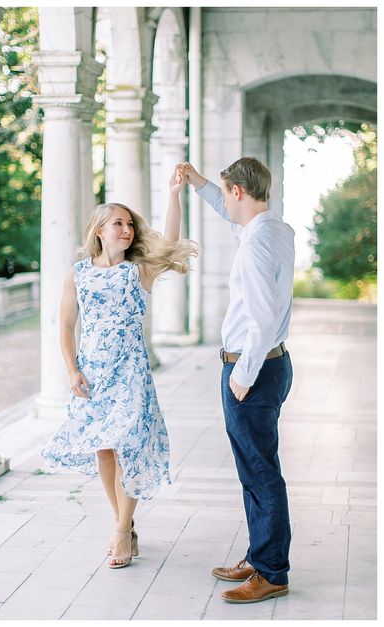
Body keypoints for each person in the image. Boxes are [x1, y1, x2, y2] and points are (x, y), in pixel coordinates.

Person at [40, 166, 198, 569]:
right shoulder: (78, 275)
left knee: (130, 448)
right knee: (105, 451)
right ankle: (123, 524)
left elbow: (171, 240)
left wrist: (174, 195)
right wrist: (71, 370)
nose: (127, 230)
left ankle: (119, 531)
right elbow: (65, 325)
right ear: (99, 230)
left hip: (130, 372)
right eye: (118, 224)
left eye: (129, 224)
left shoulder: (138, 271)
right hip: (93, 374)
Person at [178, 158, 294, 603]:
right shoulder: (273, 230)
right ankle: (260, 556)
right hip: (273, 363)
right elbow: (231, 217)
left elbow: (262, 319)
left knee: (261, 473)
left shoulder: (256, 245)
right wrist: (200, 184)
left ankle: (271, 572)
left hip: (255, 367)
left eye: (226, 193)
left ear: (239, 192)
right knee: (255, 469)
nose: (225, 201)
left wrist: (243, 376)